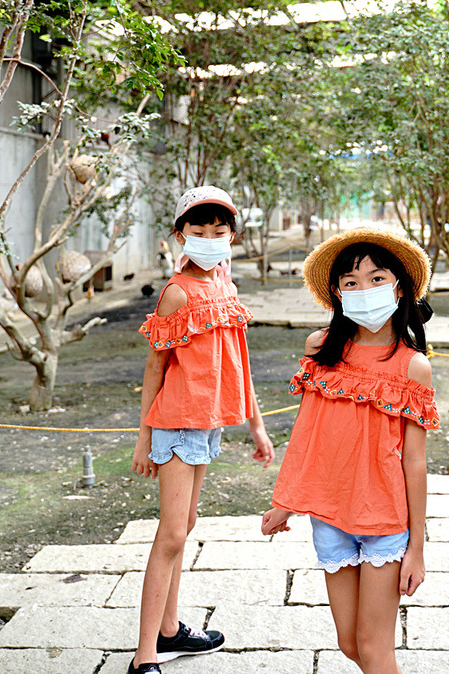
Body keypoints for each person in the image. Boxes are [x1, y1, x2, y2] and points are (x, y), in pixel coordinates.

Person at [261, 228, 437, 674]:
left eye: (377, 278)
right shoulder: (320, 349)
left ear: (400, 287)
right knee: (349, 644)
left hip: (385, 521)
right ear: (337, 293)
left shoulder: (414, 365)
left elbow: (415, 462)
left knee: (375, 648)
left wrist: (417, 547)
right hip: (330, 516)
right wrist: (286, 503)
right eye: (351, 282)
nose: (364, 290)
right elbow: (308, 435)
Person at [129, 185, 275, 674]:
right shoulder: (175, 292)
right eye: (198, 230)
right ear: (180, 235)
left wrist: (256, 426)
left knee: (185, 526)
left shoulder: (226, 288)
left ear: (232, 236)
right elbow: (155, 367)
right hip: (175, 422)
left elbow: (241, 363)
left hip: (208, 424)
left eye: (219, 230)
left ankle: (170, 632)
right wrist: (144, 437)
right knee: (171, 533)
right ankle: (143, 656)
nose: (210, 238)